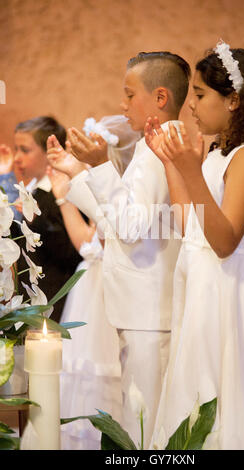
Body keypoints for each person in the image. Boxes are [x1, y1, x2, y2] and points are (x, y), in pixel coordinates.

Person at [145, 41, 244, 450]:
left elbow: (226, 240)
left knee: (230, 399)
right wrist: (172, 164)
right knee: (196, 390)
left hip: (230, 293)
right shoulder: (218, 154)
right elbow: (190, 224)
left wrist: (191, 170)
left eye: (199, 94)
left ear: (233, 100)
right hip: (204, 287)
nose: (190, 105)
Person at [48, 52, 191, 448]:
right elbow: (117, 220)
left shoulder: (161, 147)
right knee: (137, 421)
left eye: (130, 95)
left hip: (150, 311)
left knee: (146, 428)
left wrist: (97, 166)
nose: (122, 105)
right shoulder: (152, 145)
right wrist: (78, 171)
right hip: (141, 308)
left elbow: (128, 227)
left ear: (160, 97)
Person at [47, 115, 140, 450]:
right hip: (92, 286)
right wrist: (62, 196)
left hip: (106, 293)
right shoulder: (108, 192)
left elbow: (94, 246)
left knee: (104, 377)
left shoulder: (120, 194)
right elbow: (90, 243)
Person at [11, 116, 82, 322]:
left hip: (57, 304)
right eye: (16, 149)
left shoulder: (65, 195)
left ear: (49, 153)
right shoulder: (33, 193)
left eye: (25, 150)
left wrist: (35, 220)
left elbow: (71, 254)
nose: (17, 157)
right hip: (29, 302)